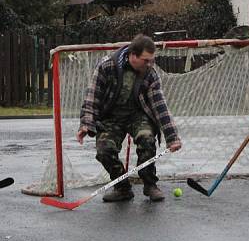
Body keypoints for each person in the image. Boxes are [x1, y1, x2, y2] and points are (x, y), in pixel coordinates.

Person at [76, 34, 182, 202]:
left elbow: (159, 105)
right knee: (104, 151)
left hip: (137, 116)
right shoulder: (107, 66)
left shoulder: (150, 74)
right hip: (111, 118)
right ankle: (122, 188)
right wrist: (86, 124)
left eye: (152, 60)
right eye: (146, 60)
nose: (150, 64)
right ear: (133, 55)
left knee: (147, 139)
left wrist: (172, 137)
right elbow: (92, 97)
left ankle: (150, 184)